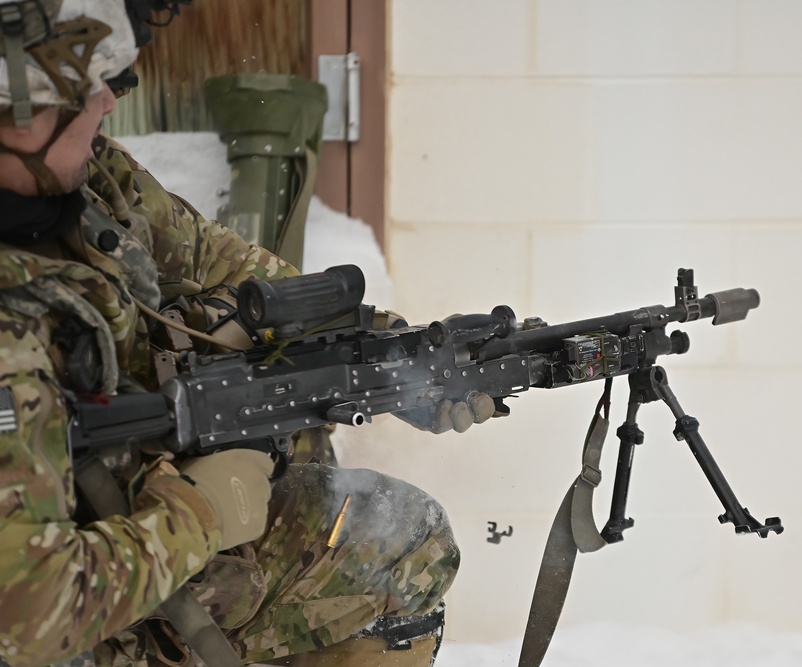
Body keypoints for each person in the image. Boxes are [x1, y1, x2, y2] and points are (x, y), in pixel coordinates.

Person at [0, 2, 496, 665]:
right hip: (80, 604)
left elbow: (232, 269)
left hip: (141, 524)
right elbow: (27, 615)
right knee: (402, 545)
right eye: (81, 92)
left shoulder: (91, 185)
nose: (105, 106)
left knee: (384, 521)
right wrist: (199, 512)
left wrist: (389, 359)